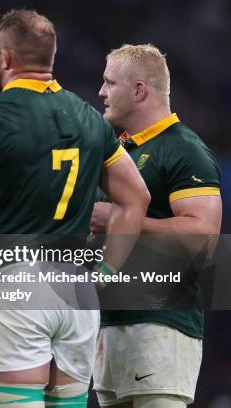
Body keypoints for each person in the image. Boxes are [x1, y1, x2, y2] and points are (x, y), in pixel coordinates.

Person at [0, 9, 150, 408]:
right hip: (77, 287)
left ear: (6, 58)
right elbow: (136, 198)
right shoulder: (89, 118)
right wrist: (105, 271)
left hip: (12, 278)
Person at [91, 44, 222, 408]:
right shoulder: (118, 152)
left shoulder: (183, 149)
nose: (101, 92)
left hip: (161, 324)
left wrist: (126, 223)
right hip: (111, 327)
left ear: (139, 91)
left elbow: (205, 237)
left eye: (109, 82)